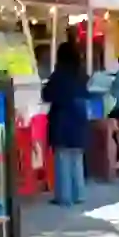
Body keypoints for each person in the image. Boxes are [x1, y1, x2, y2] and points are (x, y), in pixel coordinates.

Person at [42, 41, 89, 207]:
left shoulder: (59, 75)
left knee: (62, 158)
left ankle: (64, 196)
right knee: (76, 158)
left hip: (62, 119)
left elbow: (46, 94)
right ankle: (79, 194)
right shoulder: (82, 75)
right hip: (80, 118)